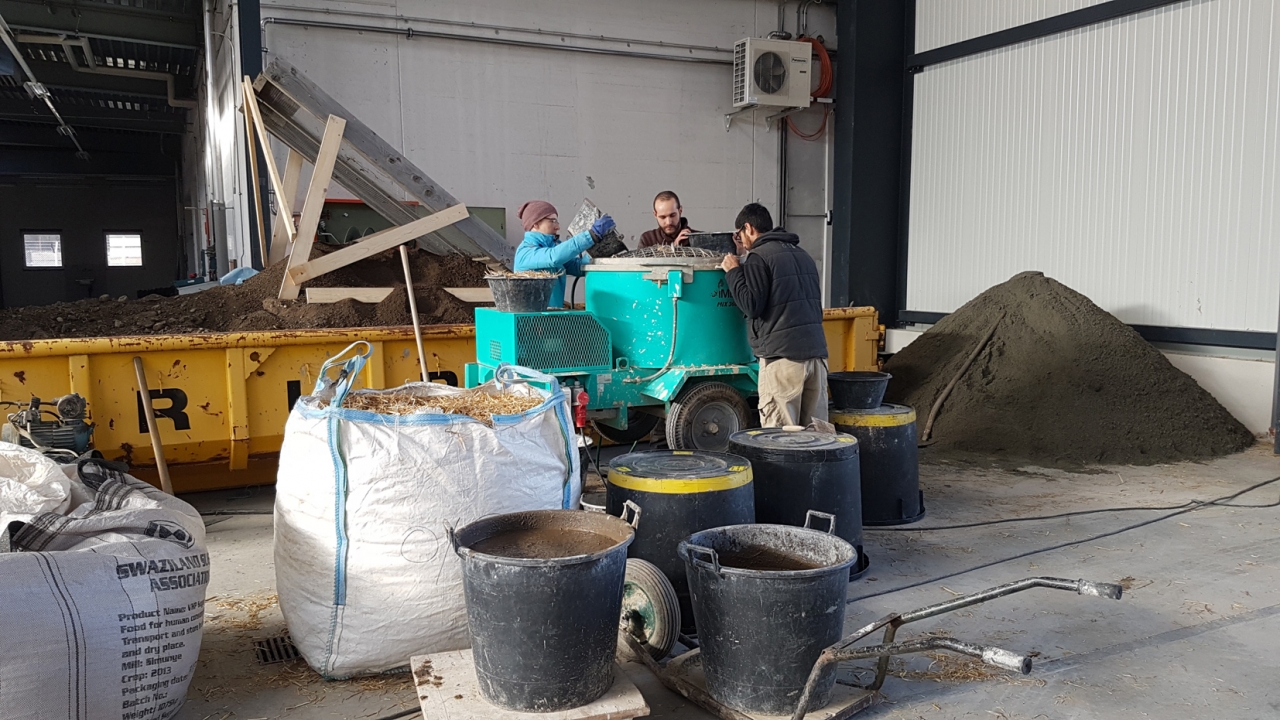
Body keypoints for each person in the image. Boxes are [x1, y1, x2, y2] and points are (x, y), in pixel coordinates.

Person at [720, 203, 829, 427]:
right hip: (817, 358)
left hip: (783, 360)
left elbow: (751, 305)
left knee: (779, 437)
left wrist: (733, 272)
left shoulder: (759, 257)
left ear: (748, 228)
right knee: (817, 437)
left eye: (739, 234)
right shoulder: (803, 255)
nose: (740, 241)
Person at [513, 200, 614, 309]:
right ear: (535, 223)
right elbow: (553, 257)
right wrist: (591, 235)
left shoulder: (553, 248)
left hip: (552, 315)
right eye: (552, 221)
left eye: (557, 222)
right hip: (532, 318)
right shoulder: (525, 252)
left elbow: (578, 267)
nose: (557, 227)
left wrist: (597, 251)